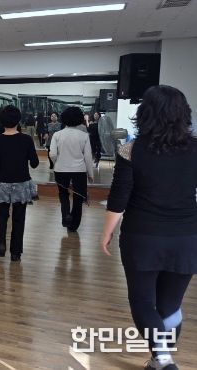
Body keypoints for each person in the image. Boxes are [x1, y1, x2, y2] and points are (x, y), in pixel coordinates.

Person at [101, 85, 197, 370]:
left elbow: (119, 199)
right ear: (183, 113)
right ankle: (161, 360)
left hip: (141, 237)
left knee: (143, 302)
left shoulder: (130, 150)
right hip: (187, 237)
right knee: (171, 305)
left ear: (145, 114)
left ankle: (163, 359)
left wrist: (106, 233)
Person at [0, 105, 39, 262]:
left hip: (1, 183)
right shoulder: (26, 139)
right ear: (18, 120)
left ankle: (1, 244)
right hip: (21, 183)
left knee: (1, 215)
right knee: (19, 218)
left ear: (1, 120)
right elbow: (34, 163)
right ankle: (16, 252)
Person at [49, 107, 94, 232]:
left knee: (63, 194)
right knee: (78, 197)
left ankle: (66, 215)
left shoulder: (57, 135)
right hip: (79, 170)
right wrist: (90, 174)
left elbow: (52, 154)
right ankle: (74, 226)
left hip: (60, 169)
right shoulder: (84, 136)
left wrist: (57, 163)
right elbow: (88, 157)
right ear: (79, 119)